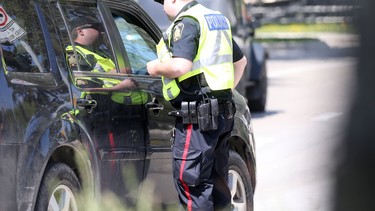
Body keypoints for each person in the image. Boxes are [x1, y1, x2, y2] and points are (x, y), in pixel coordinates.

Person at [147, 0, 247, 210]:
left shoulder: (187, 22)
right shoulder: (215, 19)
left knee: (193, 184)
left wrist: (155, 68)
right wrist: (223, 93)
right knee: (218, 183)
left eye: (162, 1)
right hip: (222, 113)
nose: (162, 7)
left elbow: (181, 66)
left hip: (198, 119)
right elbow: (241, 62)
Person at [66, 17, 134, 91]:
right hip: (102, 100)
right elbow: (84, 87)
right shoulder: (74, 53)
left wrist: (109, 45)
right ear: (80, 31)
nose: (102, 32)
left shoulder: (100, 52)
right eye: (97, 28)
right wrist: (120, 86)